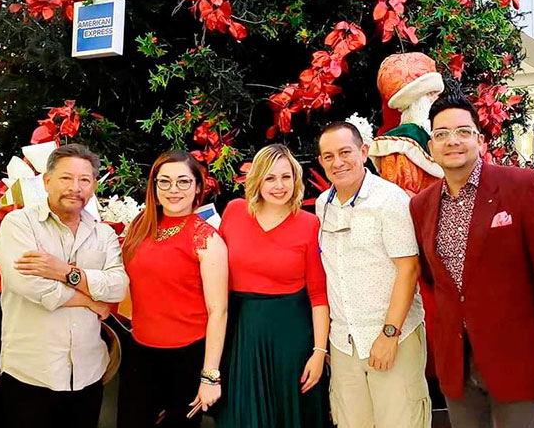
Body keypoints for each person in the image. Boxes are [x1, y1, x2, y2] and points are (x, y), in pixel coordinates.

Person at [410, 94, 534, 428]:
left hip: (519, 362)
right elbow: (433, 279)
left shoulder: (521, 186)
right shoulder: (422, 206)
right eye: (442, 134)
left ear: (480, 140)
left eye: (463, 131)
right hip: (457, 366)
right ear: (431, 146)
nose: (452, 141)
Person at [0, 144, 129, 428]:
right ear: (47, 181)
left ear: (93, 186)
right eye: (66, 178)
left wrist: (64, 271)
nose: (75, 188)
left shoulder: (103, 233)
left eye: (84, 180)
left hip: (88, 374)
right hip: (32, 374)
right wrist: (90, 299)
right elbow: (31, 285)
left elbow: (117, 287)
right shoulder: (20, 224)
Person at [316, 122, 430, 428]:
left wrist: (389, 335)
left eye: (345, 152)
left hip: (392, 337)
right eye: (329, 156)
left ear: (363, 152)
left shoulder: (390, 199)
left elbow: (408, 269)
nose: (338, 163)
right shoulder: (323, 205)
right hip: (345, 343)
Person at [217, 144, 329, 428]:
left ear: (296, 179)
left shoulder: (309, 224)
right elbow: (213, 271)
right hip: (240, 335)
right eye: (270, 178)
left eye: (286, 177)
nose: (279, 186)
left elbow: (318, 295)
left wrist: (319, 352)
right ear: (257, 180)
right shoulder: (234, 212)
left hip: (290, 338)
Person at [118, 150, 228, 428]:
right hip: (139, 351)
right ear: (154, 187)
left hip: (187, 357)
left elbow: (218, 311)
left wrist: (210, 376)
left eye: (183, 181)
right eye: (164, 182)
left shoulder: (206, 239)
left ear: (198, 187)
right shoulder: (140, 226)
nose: (173, 189)